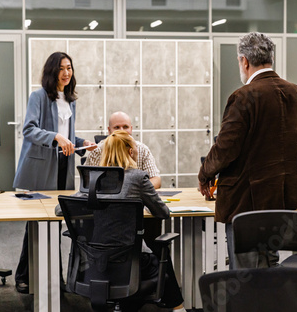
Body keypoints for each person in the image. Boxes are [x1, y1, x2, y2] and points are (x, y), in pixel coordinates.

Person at [198, 32, 297, 269]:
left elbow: (225, 148)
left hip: (246, 202)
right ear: (270, 58)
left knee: (246, 271)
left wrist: (205, 173)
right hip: (282, 200)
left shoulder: (243, 96)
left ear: (244, 61)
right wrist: (285, 167)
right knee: (269, 263)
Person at [71, 130, 185, 311]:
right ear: (131, 152)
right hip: (131, 257)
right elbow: (162, 213)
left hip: (96, 259)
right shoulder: (138, 177)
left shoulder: (93, 179)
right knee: (157, 257)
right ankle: (176, 307)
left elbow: (61, 208)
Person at [12, 52, 96, 293]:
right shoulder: (38, 96)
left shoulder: (70, 100)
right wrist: (56, 137)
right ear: (52, 71)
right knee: (36, 223)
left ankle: (54, 277)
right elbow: (29, 129)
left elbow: (67, 136)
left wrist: (82, 142)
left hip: (62, 166)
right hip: (40, 167)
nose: (67, 72)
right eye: (61, 68)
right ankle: (25, 275)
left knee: (56, 220)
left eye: (69, 68)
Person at [84, 111, 161, 189]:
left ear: (131, 129)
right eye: (117, 127)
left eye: (125, 127)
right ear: (109, 130)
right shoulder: (97, 151)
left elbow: (156, 179)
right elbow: (86, 182)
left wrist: (133, 190)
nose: (121, 131)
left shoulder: (142, 149)